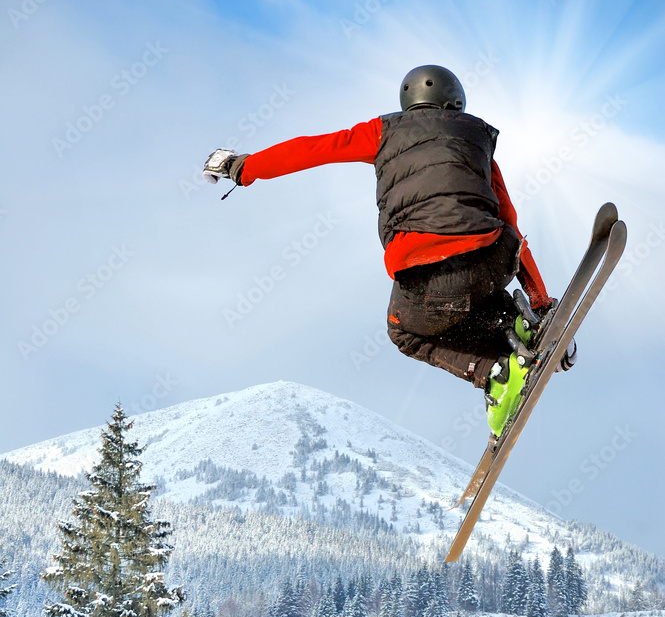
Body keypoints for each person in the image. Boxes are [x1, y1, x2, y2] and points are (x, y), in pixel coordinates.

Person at [203, 64, 576, 437]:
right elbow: (510, 220)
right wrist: (541, 301)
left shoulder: (384, 131)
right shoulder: (477, 140)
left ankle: (493, 374)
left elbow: (314, 149)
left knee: (406, 332)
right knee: (474, 283)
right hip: (492, 259)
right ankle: (518, 323)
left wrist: (243, 167)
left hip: (428, 273)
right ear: (456, 103)